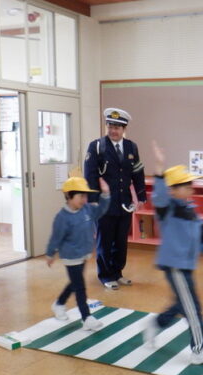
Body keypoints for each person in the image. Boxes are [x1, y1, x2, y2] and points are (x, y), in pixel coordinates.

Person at [144, 142, 203, 365]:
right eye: (185, 185)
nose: (191, 187)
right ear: (173, 189)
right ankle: (199, 350)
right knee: (193, 309)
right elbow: (159, 196)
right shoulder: (167, 208)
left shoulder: (191, 211)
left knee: (182, 304)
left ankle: (155, 324)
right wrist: (159, 168)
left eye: (190, 183)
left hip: (187, 266)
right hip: (175, 266)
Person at [84, 108, 146, 290]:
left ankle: (117, 273)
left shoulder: (131, 147)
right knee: (104, 241)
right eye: (110, 126)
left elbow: (138, 173)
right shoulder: (97, 146)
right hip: (103, 204)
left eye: (117, 127)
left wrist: (141, 196)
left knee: (120, 241)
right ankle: (105, 275)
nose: (113, 130)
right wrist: (93, 200)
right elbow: (90, 175)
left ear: (124, 129)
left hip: (124, 204)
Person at [46, 177, 111, 330]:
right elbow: (56, 237)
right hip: (71, 256)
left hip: (84, 254)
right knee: (80, 287)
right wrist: (50, 253)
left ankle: (59, 303)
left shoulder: (87, 209)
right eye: (80, 196)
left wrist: (106, 194)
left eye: (85, 196)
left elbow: (101, 210)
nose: (84, 199)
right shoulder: (62, 217)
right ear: (69, 196)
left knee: (75, 282)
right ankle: (86, 317)